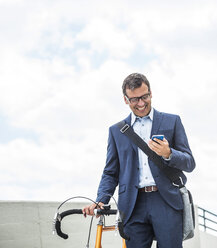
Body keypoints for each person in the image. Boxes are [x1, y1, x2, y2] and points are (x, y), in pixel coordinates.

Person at [83, 73, 195, 248]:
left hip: (165, 200)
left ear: (151, 93)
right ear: (126, 100)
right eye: (135, 99)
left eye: (145, 97)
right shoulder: (116, 131)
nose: (141, 103)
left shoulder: (172, 121)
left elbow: (189, 163)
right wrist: (101, 199)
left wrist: (169, 153)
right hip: (132, 205)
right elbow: (111, 172)